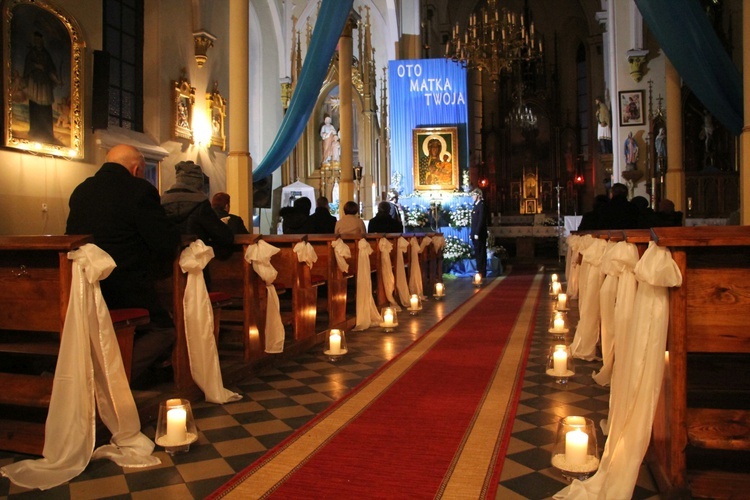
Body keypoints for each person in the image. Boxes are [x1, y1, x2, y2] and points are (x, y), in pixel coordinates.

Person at [66, 144, 180, 385]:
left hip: (85, 284)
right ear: (137, 168)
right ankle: (110, 382)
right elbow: (162, 241)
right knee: (163, 329)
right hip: (125, 284)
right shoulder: (139, 190)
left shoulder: (81, 190)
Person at [161, 161, 235, 261]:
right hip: (196, 264)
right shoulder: (200, 203)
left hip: (168, 262)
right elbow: (224, 236)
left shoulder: (162, 202)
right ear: (197, 183)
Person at [23, 31, 60, 144]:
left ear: (42, 41)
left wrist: (55, 79)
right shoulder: (31, 53)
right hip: (35, 83)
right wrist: (36, 66)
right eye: (36, 40)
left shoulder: (46, 54)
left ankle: (47, 133)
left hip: (44, 85)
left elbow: (50, 68)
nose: (37, 42)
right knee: (34, 106)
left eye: (39, 40)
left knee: (46, 108)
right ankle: (34, 130)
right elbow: (28, 66)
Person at [470, 188, 488, 277]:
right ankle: (479, 269)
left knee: (481, 252)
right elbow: (473, 221)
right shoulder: (475, 205)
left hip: (480, 234)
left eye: (474, 195)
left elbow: (481, 220)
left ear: (478, 195)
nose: (472, 197)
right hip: (475, 234)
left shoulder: (481, 205)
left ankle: (482, 270)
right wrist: (472, 233)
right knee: (477, 252)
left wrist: (477, 233)